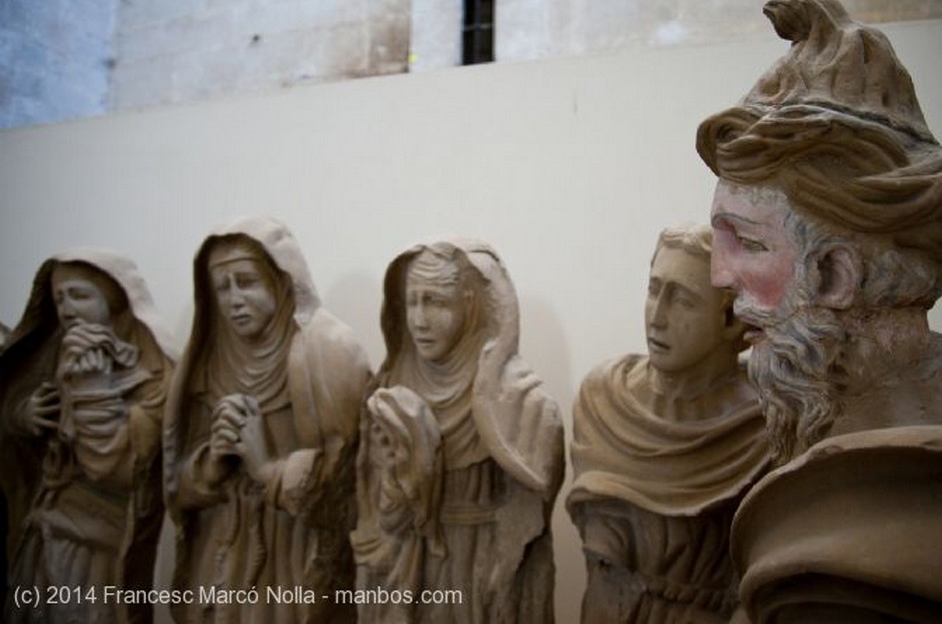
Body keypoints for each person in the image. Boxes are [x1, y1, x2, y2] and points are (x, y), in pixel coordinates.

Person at [698, 0, 942, 622]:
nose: (719, 276)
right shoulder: (824, 446)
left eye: (750, 244)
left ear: (834, 275)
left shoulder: (906, 518)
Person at [164, 216, 371, 624]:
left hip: (294, 559)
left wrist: (267, 469)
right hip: (223, 552)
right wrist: (209, 465)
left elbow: (351, 482)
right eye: (222, 287)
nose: (233, 299)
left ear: (280, 280)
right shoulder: (205, 365)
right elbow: (175, 487)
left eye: (247, 281)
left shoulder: (329, 352)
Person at [351, 239, 564, 624]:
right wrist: (404, 478)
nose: (418, 319)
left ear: (470, 304)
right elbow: (372, 514)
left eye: (435, 302)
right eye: (411, 301)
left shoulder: (519, 400)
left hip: (482, 570)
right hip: (409, 570)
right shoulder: (390, 387)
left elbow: (529, 515)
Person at [567, 225, 769, 623]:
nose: (656, 317)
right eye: (653, 289)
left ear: (731, 318)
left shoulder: (762, 426)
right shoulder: (604, 399)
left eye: (682, 300)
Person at [0, 249, 175, 623]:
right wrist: (23, 415)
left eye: (79, 295)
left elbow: (117, 465)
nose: (66, 308)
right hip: (44, 529)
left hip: (98, 545)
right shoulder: (58, 354)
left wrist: (94, 388)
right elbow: (15, 399)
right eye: (59, 298)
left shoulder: (154, 374)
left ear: (113, 301)